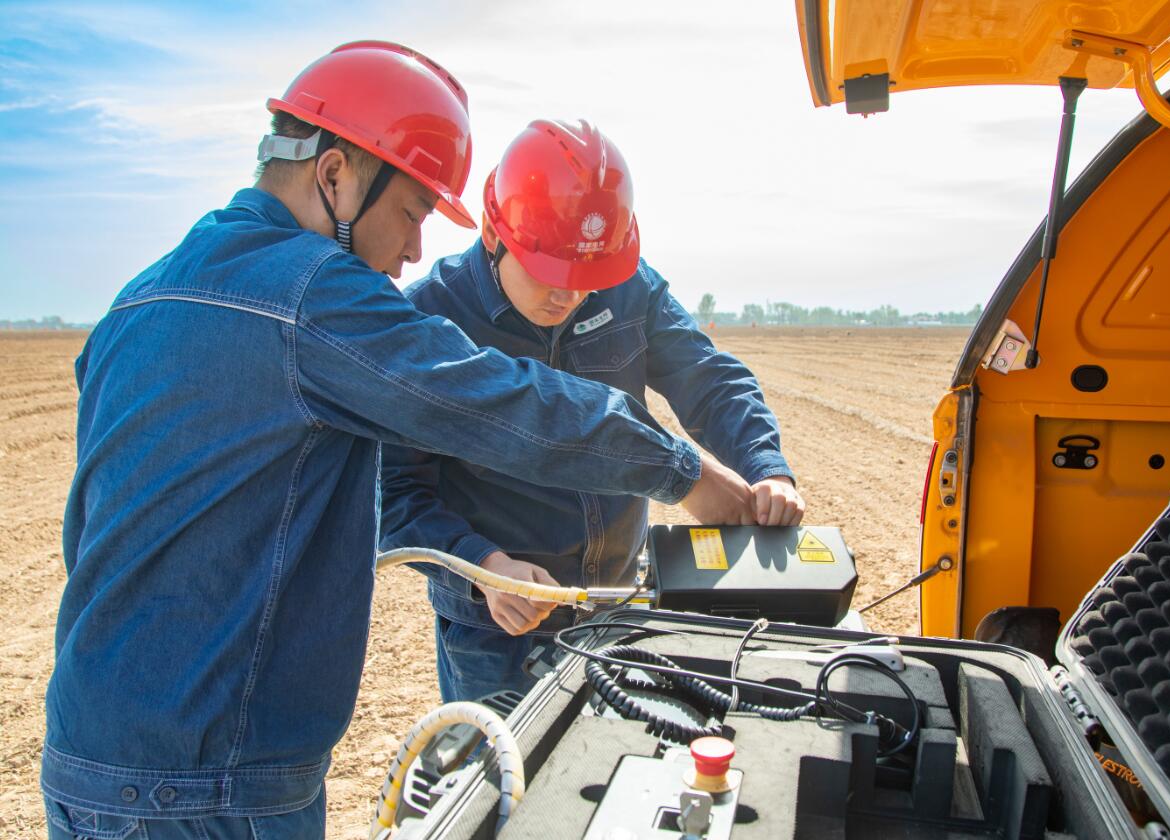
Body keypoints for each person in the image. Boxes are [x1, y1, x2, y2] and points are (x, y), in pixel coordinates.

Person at [42, 44, 751, 840]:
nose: (415, 251)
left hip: (89, 756)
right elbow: (501, 402)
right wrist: (683, 471)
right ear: (336, 174)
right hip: (211, 783)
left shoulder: (140, 297)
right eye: (412, 212)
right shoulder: (313, 295)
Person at [380, 120, 805, 703]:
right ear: (491, 231)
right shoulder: (432, 317)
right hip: (498, 630)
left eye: (588, 278)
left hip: (617, 601)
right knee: (503, 785)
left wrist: (765, 465)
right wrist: (481, 567)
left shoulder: (627, 286)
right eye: (550, 273)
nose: (570, 296)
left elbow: (708, 378)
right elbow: (396, 488)